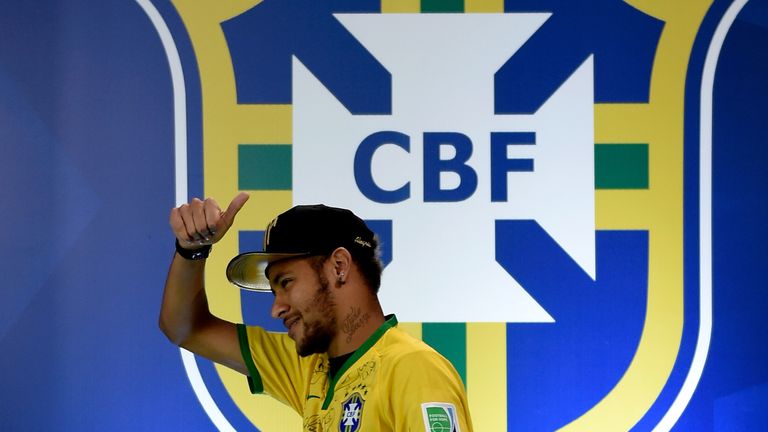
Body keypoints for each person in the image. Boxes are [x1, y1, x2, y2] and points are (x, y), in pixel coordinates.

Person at [160, 192, 473, 431]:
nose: (275, 308)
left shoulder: (412, 369)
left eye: (286, 283)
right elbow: (185, 328)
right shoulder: (309, 367)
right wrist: (192, 249)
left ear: (339, 266)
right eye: (274, 290)